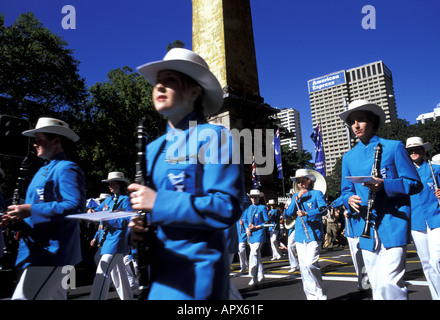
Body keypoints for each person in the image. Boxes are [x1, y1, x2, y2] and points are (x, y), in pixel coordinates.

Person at [127, 48, 244, 300]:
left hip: (196, 277)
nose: (159, 86)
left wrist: (158, 203)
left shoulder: (214, 137)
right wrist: (137, 228)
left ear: (194, 91)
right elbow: (147, 213)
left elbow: (226, 207)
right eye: (158, 81)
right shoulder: (151, 149)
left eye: (170, 80)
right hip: (156, 274)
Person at [339, 100, 422, 300]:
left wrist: (385, 184)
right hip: (365, 226)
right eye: (352, 122)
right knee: (377, 284)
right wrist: (349, 199)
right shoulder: (348, 157)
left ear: (373, 121)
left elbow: (414, 183)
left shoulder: (394, 147)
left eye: (361, 120)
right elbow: (345, 191)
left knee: (391, 283)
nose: (356, 126)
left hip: (393, 222)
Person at [0, 117, 86, 300]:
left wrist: (30, 210)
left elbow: (75, 206)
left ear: (56, 140)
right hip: (41, 252)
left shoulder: (67, 168)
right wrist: (17, 216)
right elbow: (34, 208)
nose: (35, 144)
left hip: (52, 253)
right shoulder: (42, 170)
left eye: (39, 139)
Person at [89, 171, 134, 300]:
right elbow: (97, 212)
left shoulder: (126, 200)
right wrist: (91, 211)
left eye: (112, 183)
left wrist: (108, 218)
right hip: (107, 241)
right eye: (108, 183)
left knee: (102, 272)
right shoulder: (108, 200)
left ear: (119, 184)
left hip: (117, 241)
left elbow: (128, 220)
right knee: (120, 275)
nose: (109, 186)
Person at [284, 169, 328, 300]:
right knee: (303, 268)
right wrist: (296, 198)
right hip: (300, 235)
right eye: (298, 182)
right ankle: (311, 296)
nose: (300, 184)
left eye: (303, 181)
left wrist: (307, 213)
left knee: (310, 264)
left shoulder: (317, 194)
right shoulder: (295, 197)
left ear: (309, 181)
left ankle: (321, 292)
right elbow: (287, 214)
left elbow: (324, 209)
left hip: (314, 233)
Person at [405, 136, 440, 300]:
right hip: (416, 222)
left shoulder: (435, 168)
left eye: (416, 148)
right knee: (427, 264)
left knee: (437, 260)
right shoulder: (404, 174)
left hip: (436, 218)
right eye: (410, 150)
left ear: (423, 150)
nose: (413, 151)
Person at [242, 189, 269, 286]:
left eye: (255, 197)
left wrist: (256, 227)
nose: (253, 199)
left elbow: (266, 222)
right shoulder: (248, 209)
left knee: (253, 253)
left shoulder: (262, 208)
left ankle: (253, 276)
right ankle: (261, 275)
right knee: (257, 254)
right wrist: (247, 229)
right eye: (252, 197)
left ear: (259, 198)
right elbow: (244, 220)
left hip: (259, 233)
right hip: (251, 234)